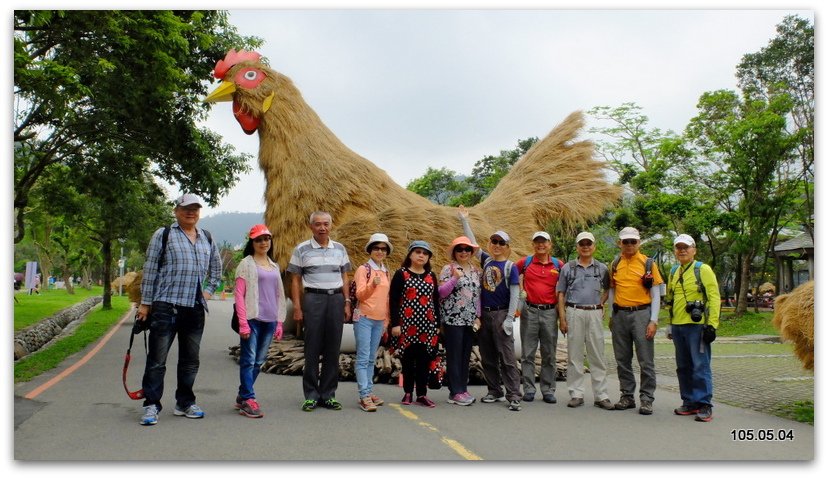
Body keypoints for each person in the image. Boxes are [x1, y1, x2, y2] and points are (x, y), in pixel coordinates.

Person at [135, 193, 222, 426]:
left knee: (190, 361)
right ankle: (151, 405)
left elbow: (216, 272)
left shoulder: (207, 238)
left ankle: (184, 402)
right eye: (186, 208)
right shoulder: (164, 235)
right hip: (166, 307)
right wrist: (145, 304)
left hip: (194, 309)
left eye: (195, 208)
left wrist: (207, 293)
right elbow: (151, 268)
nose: (191, 212)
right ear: (176, 211)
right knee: (157, 359)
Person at [458, 207, 522, 412]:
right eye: (494, 241)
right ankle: (495, 390)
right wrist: (465, 221)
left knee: (507, 356)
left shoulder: (511, 267)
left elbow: (515, 293)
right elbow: (472, 243)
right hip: (484, 314)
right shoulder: (486, 260)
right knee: (488, 355)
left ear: (507, 246)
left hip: (502, 313)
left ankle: (513, 394)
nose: (497, 245)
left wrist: (510, 317)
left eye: (501, 243)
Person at [287, 211, 352, 412]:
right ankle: (311, 395)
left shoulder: (340, 249)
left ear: (331, 226)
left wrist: (347, 302)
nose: (322, 227)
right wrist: (297, 307)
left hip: (336, 299)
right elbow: (295, 280)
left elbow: (345, 277)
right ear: (311, 227)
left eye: (325, 224)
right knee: (312, 347)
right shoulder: (301, 249)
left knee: (333, 348)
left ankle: (328, 394)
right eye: (318, 224)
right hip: (313, 298)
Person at [608, 226, 663, 415]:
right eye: (626, 241)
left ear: (639, 243)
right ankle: (627, 396)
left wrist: (653, 320)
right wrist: (610, 316)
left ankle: (647, 398)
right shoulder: (615, 263)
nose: (630, 245)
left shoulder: (648, 263)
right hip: (620, 315)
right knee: (622, 358)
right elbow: (612, 290)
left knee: (646, 360)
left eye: (633, 241)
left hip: (642, 314)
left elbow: (656, 294)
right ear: (619, 243)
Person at [233, 224, 287, 418]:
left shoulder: (274, 266)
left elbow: (279, 295)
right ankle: (248, 398)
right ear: (252, 242)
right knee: (248, 360)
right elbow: (239, 296)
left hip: (270, 320)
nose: (264, 242)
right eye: (259, 240)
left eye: (266, 239)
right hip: (252, 319)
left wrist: (280, 322)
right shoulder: (246, 265)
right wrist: (243, 323)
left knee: (259, 361)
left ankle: (242, 395)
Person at [665, 234, 720, 422]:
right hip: (679, 326)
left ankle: (704, 403)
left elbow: (714, 297)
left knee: (700, 365)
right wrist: (669, 324)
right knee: (683, 366)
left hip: (697, 327)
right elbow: (670, 300)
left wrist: (712, 325)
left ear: (694, 250)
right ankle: (689, 401)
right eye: (678, 247)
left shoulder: (702, 269)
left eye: (686, 247)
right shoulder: (674, 271)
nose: (682, 250)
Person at [556, 231, 614, 410]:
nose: (586, 247)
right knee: (574, 354)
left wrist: (601, 303)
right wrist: (563, 318)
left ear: (594, 246)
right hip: (574, 311)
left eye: (589, 244)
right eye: (582, 244)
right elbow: (561, 294)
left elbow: (609, 289)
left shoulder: (602, 268)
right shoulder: (568, 267)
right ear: (577, 247)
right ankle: (576, 393)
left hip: (594, 312)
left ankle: (601, 395)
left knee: (597, 354)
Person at [389, 240, 442, 408]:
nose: (421, 255)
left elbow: (435, 301)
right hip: (407, 325)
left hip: (427, 326)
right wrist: (395, 324)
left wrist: (437, 325)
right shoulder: (401, 273)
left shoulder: (431, 275)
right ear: (410, 254)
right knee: (408, 359)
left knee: (424, 361)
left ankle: (422, 394)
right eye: (418, 252)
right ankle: (407, 393)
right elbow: (394, 300)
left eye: (425, 253)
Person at [515, 231, 563, 404]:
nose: (540, 245)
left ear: (550, 244)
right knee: (528, 352)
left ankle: (548, 389)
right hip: (529, 311)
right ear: (533, 244)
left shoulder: (558, 265)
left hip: (550, 312)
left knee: (549, 353)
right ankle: (528, 389)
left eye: (544, 242)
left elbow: (567, 288)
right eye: (537, 242)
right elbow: (509, 274)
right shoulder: (525, 263)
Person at [438, 236, 482, 406]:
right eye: (460, 249)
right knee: (454, 355)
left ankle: (462, 388)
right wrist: (454, 278)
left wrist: (478, 316)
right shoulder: (448, 269)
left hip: (470, 320)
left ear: (471, 252)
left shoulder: (475, 271)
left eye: (467, 249)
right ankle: (455, 390)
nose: (463, 252)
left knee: (465, 355)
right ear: (454, 252)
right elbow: (441, 293)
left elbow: (477, 296)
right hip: (453, 318)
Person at [353, 233, 393, 412]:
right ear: (370, 250)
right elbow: (360, 294)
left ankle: (368, 392)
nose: (379, 251)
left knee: (370, 358)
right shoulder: (364, 269)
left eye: (383, 249)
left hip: (379, 320)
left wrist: (387, 320)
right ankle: (364, 395)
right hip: (364, 318)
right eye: (376, 248)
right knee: (362, 358)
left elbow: (387, 298)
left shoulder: (386, 270)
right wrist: (372, 285)